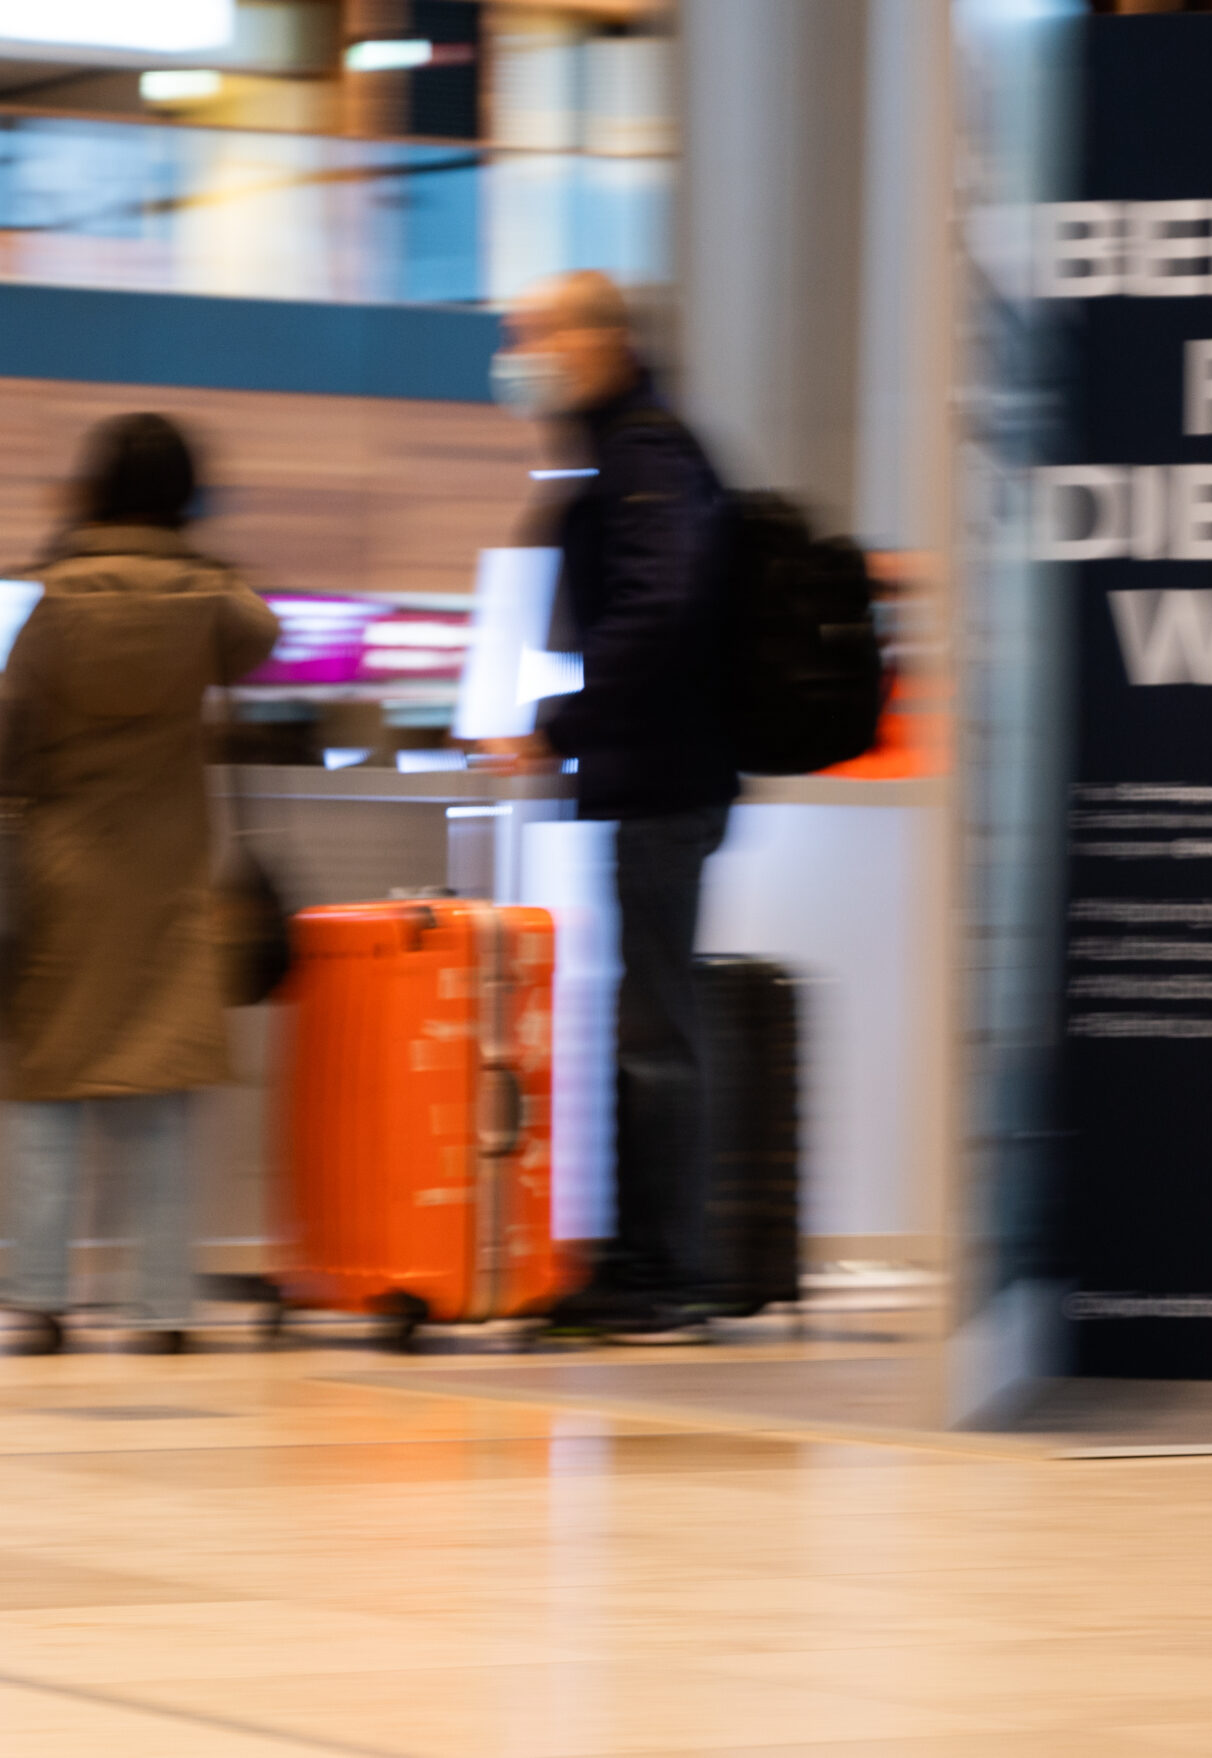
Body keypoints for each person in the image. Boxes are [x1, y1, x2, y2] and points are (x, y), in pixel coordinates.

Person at [0, 414, 280, 1355]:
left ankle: (38, 1298)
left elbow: (7, 746)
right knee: (157, 1091)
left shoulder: (50, 598)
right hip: (168, 870)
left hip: (62, 868)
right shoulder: (211, 599)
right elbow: (260, 642)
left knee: (51, 1089)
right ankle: (159, 1306)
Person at [488, 271, 737, 1345]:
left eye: (537, 335)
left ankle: (658, 1276)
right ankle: (644, 1264)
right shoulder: (623, 443)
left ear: (596, 339)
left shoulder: (641, 449)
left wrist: (561, 725)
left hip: (662, 777)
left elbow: (657, 609)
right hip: (653, 774)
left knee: (655, 1029)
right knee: (648, 1017)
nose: (525, 355)